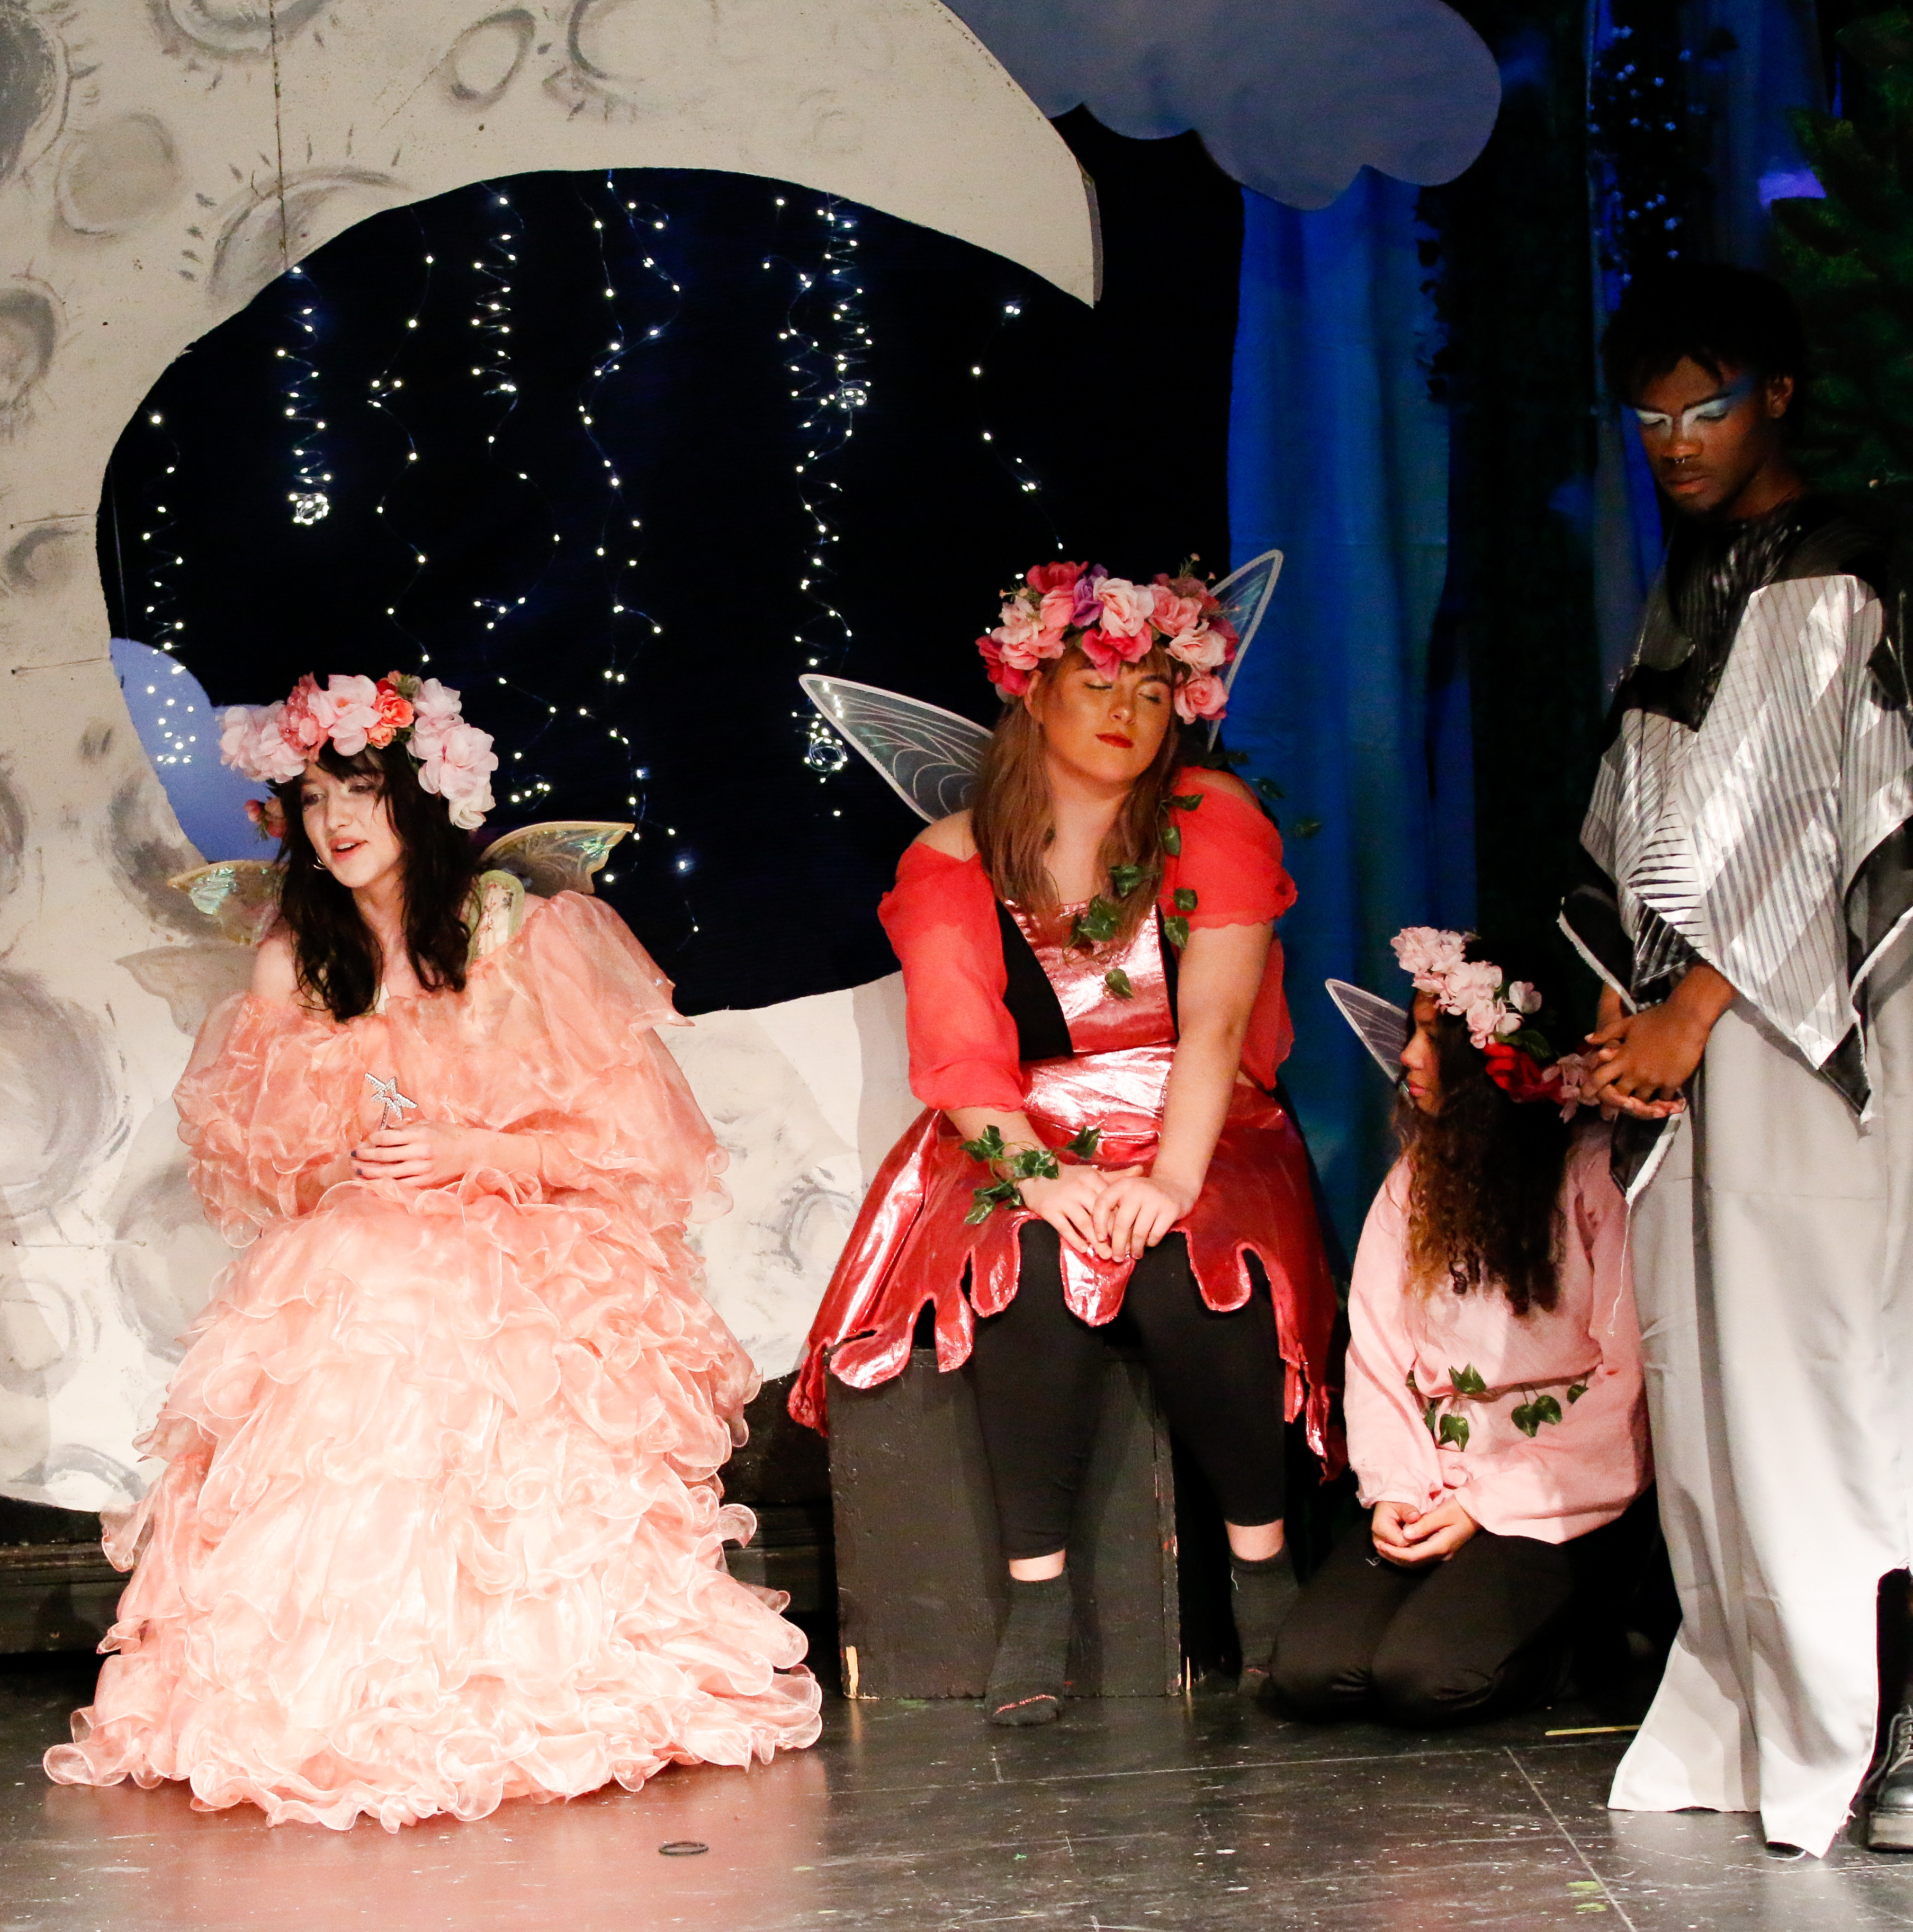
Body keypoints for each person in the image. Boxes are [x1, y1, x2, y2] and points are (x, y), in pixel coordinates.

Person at [44, 672, 821, 1829]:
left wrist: (476, 1153)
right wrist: (359, 1155)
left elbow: (632, 1144)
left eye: (360, 789)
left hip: (531, 1245)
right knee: (351, 1278)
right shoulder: (294, 968)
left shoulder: (526, 934)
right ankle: (354, 1686)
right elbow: (275, 1184)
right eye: (311, 799)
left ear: (422, 796)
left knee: (409, 1291)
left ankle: (535, 1673)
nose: (336, 820)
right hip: (378, 1250)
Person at [792, 562, 1335, 1725]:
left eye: (1151, 688)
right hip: (1024, 1132)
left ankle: (1263, 1570)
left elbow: (1221, 1023)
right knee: (1025, 1274)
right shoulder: (952, 860)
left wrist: (1172, 1177)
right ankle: (1036, 1599)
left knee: (1202, 1267)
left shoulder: (1210, 819)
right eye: (1098, 682)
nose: (1125, 712)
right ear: (1033, 692)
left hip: (1202, 1112)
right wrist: (1049, 1180)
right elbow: (960, 1065)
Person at [1576, 264, 1913, 1855]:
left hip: (1812, 1028)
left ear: (1777, 394)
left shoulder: (1837, 568)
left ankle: (1883, 1723)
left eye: (1705, 405)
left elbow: (1813, 821)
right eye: (1649, 417)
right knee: (1719, 1378)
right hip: (1703, 1039)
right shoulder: (1694, 584)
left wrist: (1690, 1008)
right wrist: (1622, 1006)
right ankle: (1774, 1703)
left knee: (1833, 1364)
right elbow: (1654, 821)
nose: (1675, 440)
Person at [1270, 931, 1651, 1725]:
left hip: (1559, 1491)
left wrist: (1486, 1505)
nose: (1408, 1056)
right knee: (1315, 1674)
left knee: (1427, 1680)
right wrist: (1400, 1492)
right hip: (1439, 1478)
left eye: (1430, 1037)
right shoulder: (1416, 1182)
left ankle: (1598, 1640)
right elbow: (1378, 1354)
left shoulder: (1591, 1175)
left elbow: (1628, 1379)